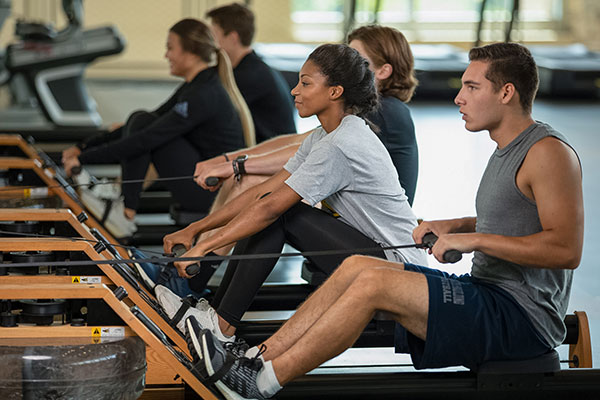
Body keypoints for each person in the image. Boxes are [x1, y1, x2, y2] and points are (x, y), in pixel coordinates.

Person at [184, 42, 584, 400]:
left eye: (472, 87)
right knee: (360, 267)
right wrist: (457, 225)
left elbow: (564, 249)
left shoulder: (547, 152)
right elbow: (517, 217)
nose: (459, 98)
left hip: (519, 318)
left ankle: (262, 383)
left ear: (507, 92)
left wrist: (474, 240)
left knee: (372, 280)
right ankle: (255, 360)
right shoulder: (506, 151)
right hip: (487, 293)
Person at [158, 43, 427, 337]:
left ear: (335, 91)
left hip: (398, 273)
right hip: (373, 257)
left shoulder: (341, 144)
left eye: (305, 83)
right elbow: (263, 193)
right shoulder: (326, 134)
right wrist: (195, 230)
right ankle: (216, 317)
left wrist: (204, 247)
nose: (294, 91)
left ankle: (221, 325)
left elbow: (272, 207)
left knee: (281, 213)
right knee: (270, 206)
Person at [61, 18, 245, 222]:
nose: (166, 55)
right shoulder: (197, 85)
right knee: (141, 119)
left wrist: (84, 159)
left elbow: (146, 137)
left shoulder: (203, 94)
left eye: (170, 48)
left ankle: (125, 210)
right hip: (206, 184)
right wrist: (82, 147)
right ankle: (125, 205)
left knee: (147, 130)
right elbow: (146, 124)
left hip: (212, 192)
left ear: (190, 52)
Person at [206, 2, 296, 143]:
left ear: (233, 38)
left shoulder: (250, 76)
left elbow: (209, 112)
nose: (209, 43)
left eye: (213, 35)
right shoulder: (249, 67)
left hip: (272, 158)